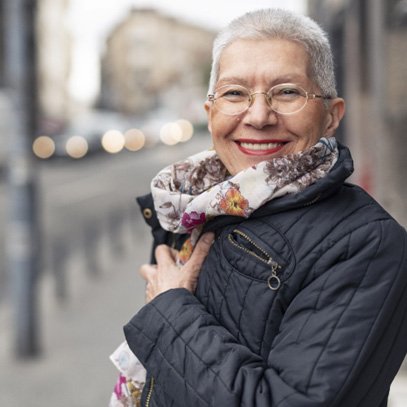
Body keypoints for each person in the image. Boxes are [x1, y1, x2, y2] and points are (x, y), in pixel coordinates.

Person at [112, 8, 407, 407]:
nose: (258, 116)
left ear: (332, 115)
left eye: (287, 92)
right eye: (235, 93)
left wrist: (168, 310)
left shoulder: (368, 244)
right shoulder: (192, 206)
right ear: (210, 112)